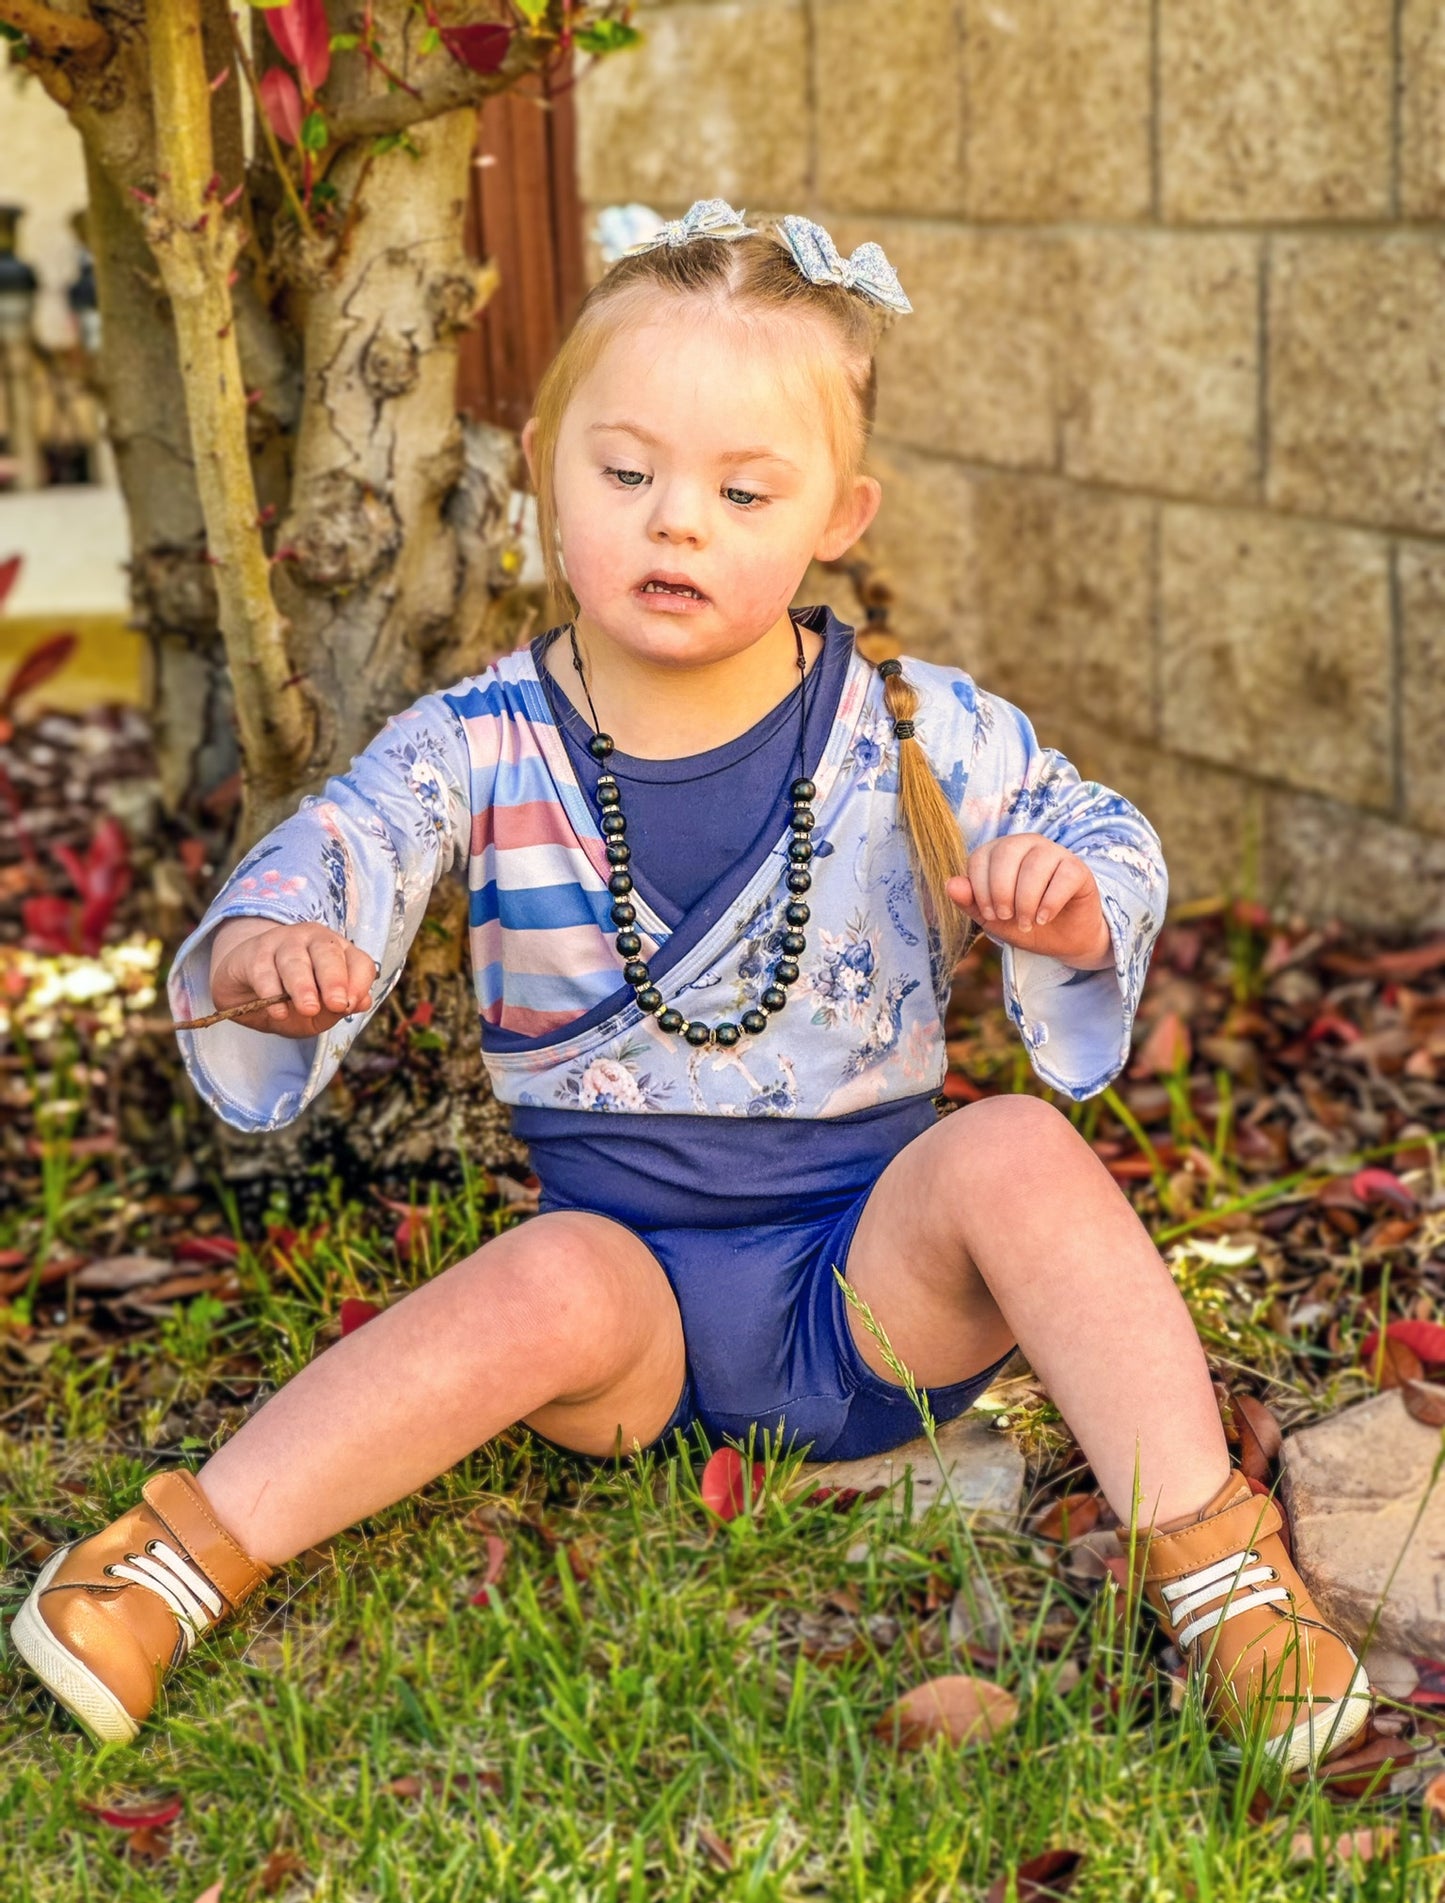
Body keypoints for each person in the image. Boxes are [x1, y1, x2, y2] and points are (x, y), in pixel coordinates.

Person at [11, 200, 1369, 1773]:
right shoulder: (484, 740)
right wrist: (277, 952)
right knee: (540, 1278)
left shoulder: (907, 722)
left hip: (880, 1300)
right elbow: (349, 841)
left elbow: (1094, 834)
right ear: (542, 469)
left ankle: (1214, 1570)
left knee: (1010, 1150)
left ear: (836, 516)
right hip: (626, 1325)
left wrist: (1063, 904)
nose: (677, 524)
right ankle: (182, 1558)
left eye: (741, 490)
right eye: (627, 473)